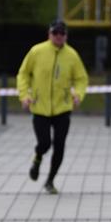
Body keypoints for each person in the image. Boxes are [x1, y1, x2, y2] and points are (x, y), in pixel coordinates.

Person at [16, 20, 88, 195]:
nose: (58, 36)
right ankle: (37, 157)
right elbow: (23, 74)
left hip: (62, 107)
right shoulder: (37, 51)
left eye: (62, 33)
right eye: (55, 33)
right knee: (44, 143)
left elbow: (81, 78)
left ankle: (50, 180)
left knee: (59, 145)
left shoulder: (72, 55)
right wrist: (24, 95)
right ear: (49, 34)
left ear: (66, 36)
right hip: (40, 106)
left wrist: (78, 94)